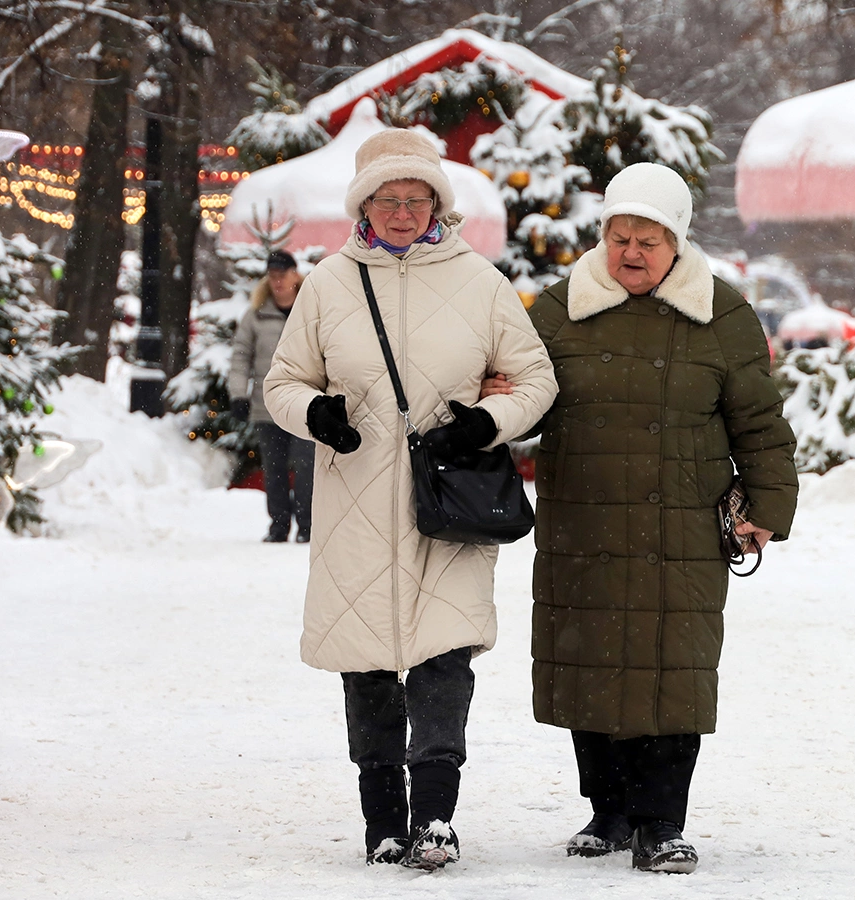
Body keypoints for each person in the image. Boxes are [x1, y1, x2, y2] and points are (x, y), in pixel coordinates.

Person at [491, 162, 798, 874]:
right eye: (620, 236)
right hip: (585, 522)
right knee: (592, 666)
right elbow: (522, 393)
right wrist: (494, 390)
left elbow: (759, 423)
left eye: (648, 241)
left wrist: (768, 508)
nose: (631, 252)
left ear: (678, 242)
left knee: (671, 672)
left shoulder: (721, 315)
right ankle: (608, 809)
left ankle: (661, 823)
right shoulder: (560, 308)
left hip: (681, 528)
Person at [262, 128, 557, 871]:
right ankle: (382, 823)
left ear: (437, 204)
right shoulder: (329, 283)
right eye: (387, 199)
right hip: (354, 507)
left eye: (416, 198)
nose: (402, 212)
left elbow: (537, 380)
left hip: (446, 507)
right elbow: (284, 383)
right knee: (365, 665)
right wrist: (315, 415)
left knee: (444, 661)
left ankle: (434, 819)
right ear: (364, 204)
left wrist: (487, 423)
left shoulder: (480, 282)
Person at [229, 250, 312, 543]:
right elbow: (241, 357)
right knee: (274, 469)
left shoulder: (310, 309)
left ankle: (307, 526)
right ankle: (278, 525)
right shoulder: (256, 316)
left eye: (283, 275)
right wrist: (239, 395)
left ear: (295, 275)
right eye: (273, 276)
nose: (278, 282)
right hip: (266, 406)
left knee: (306, 467)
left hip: (304, 404)